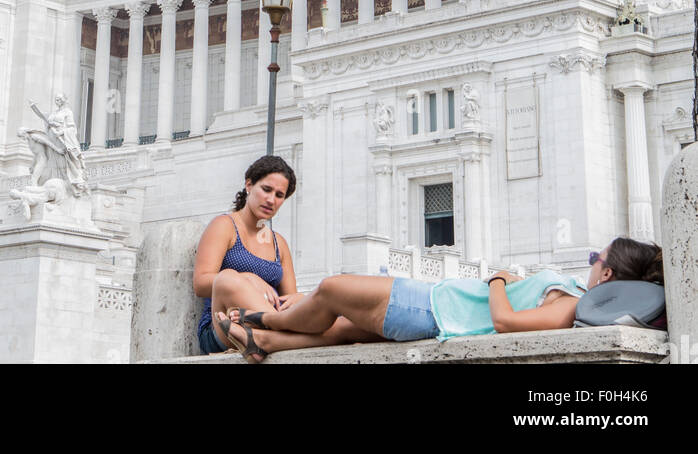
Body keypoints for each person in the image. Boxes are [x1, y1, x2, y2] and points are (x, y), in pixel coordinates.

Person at [216, 235, 663, 363]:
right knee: (345, 331)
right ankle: (265, 345)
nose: (588, 262)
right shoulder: (577, 298)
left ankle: (265, 321)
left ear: (606, 272)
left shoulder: (571, 303)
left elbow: (505, 323)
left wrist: (497, 280)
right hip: (434, 307)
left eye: (593, 257)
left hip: (430, 307)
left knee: (332, 288)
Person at [193, 155, 376, 358]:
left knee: (327, 297)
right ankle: (342, 332)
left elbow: (288, 298)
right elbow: (201, 283)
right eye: (266, 189)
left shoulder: (278, 242)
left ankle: (337, 330)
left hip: (273, 321)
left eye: (279, 195)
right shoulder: (225, 225)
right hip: (226, 324)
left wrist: (299, 298)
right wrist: (247, 278)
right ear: (249, 185)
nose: (271, 200)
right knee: (227, 278)